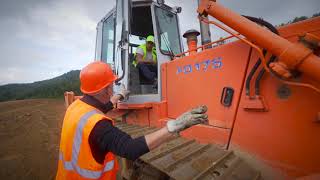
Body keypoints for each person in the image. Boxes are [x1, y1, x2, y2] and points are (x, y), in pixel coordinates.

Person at [56, 61, 208, 180]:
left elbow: (99, 107)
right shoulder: (99, 126)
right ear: (106, 90)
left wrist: (120, 96)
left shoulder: (76, 107)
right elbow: (130, 148)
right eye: (111, 86)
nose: (112, 89)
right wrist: (174, 126)